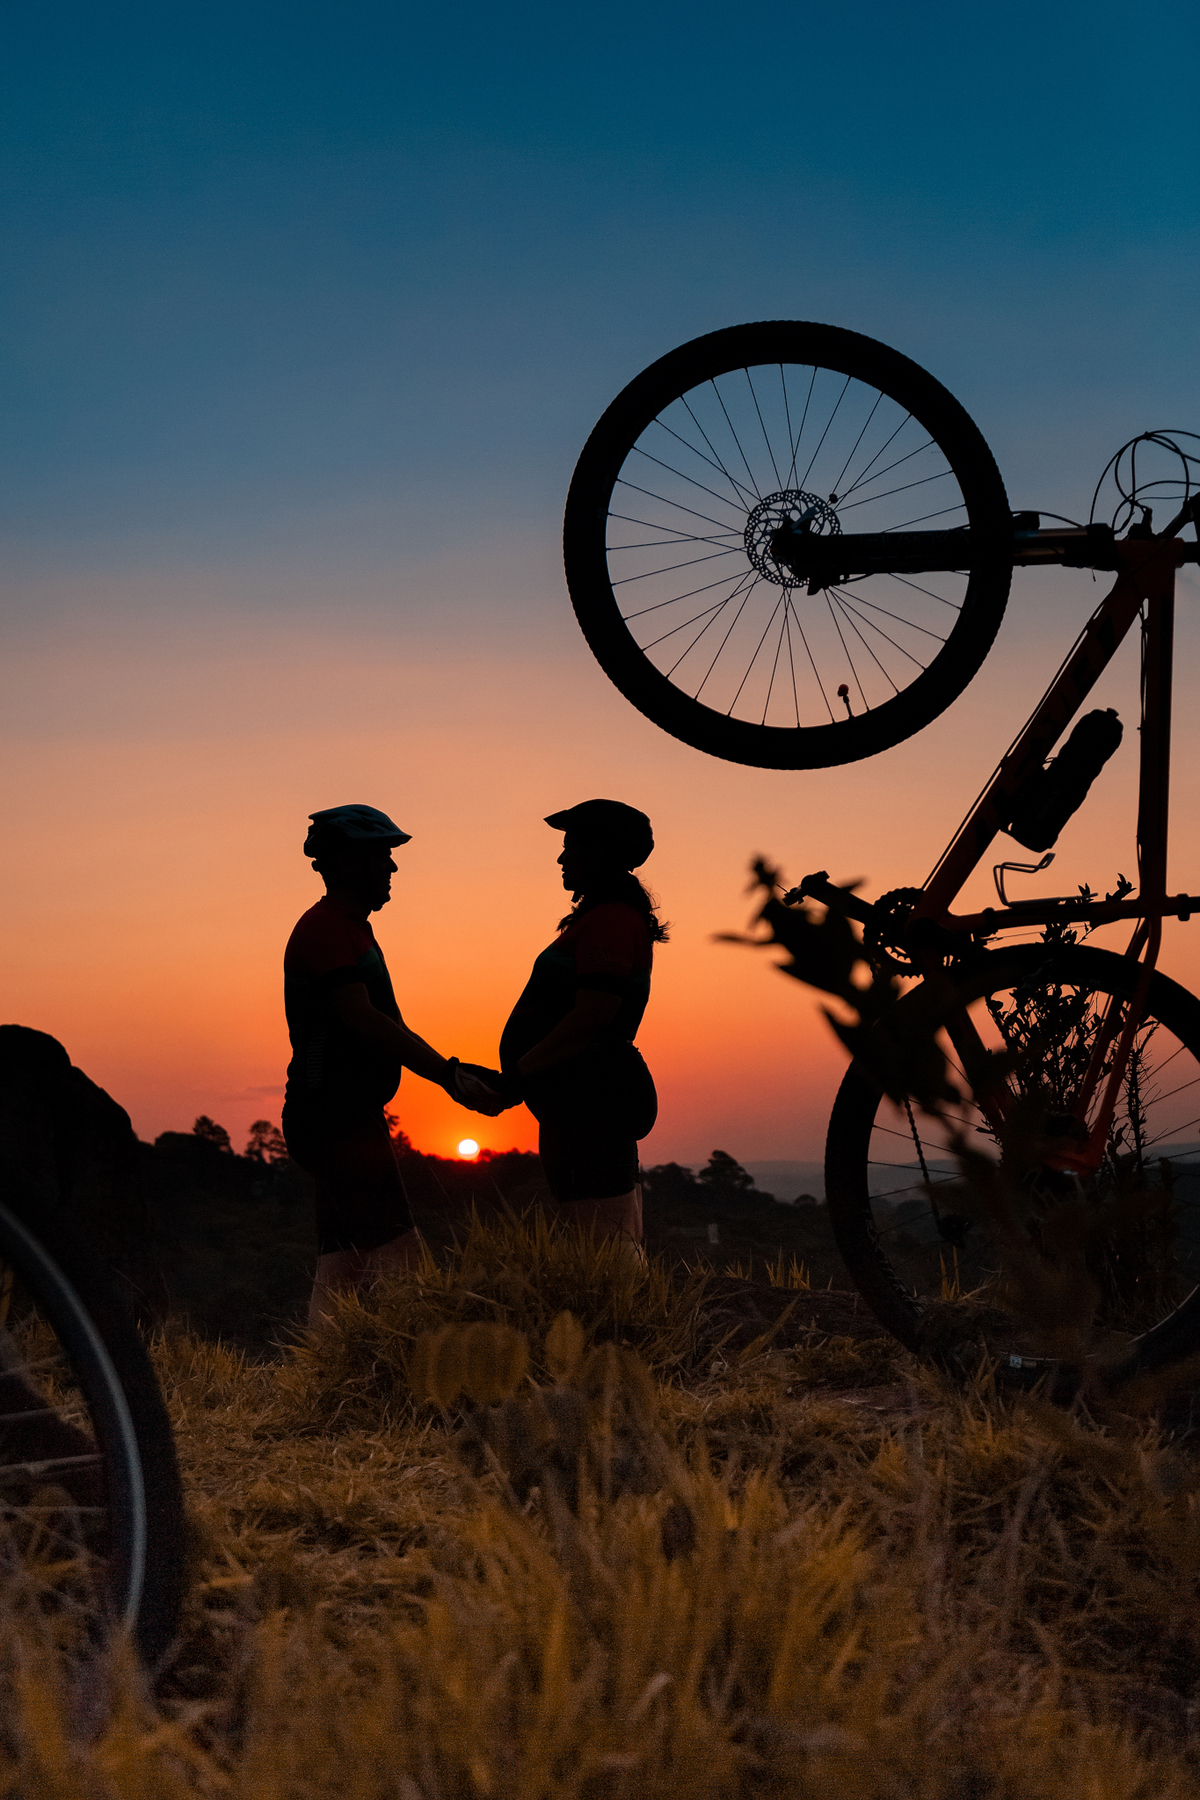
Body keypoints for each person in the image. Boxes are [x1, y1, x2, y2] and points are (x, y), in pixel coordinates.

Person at [281, 803, 503, 1326]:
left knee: (344, 1266)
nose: (392, 868)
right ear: (345, 862)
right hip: (334, 1118)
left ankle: (320, 1380)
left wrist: (454, 1070)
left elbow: (380, 1024)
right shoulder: (326, 930)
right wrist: (447, 1075)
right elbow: (365, 1021)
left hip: (341, 1114)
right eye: (381, 856)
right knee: (403, 1258)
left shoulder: (350, 929)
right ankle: (429, 1377)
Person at [499, 799, 665, 1249]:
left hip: (588, 1105)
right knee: (607, 1241)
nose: (561, 857)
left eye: (571, 846)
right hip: (582, 1104)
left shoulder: (609, 921)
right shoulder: (602, 918)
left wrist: (518, 1074)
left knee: (602, 1249)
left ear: (600, 853)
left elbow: (592, 1015)